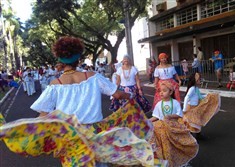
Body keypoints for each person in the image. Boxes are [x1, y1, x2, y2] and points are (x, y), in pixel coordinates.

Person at [0, 36, 156, 166]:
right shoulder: (93, 77)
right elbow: (117, 94)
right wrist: (130, 96)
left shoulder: (55, 85)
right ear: (79, 58)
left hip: (70, 138)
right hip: (97, 135)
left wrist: (23, 132)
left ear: (60, 59)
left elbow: (43, 116)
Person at [149, 81, 199, 166]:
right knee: (165, 148)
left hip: (173, 128)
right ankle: (167, 162)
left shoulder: (175, 103)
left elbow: (179, 115)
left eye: (164, 91)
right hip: (162, 131)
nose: (161, 93)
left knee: (174, 146)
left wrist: (170, 116)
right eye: (160, 91)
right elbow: (155, 117)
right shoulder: (158, 104)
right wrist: (147, 121)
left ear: (171, 92)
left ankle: (179, 161)